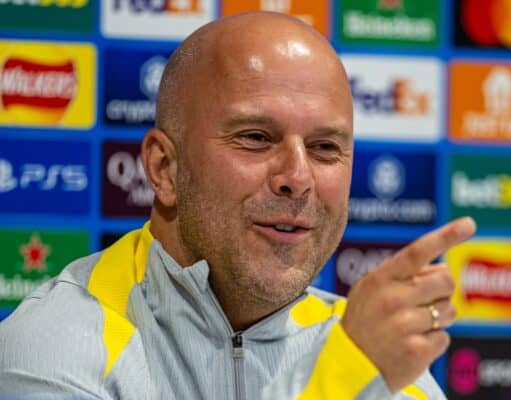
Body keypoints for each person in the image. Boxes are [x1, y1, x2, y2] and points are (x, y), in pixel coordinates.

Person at [0, 11, 476, 399]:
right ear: (164, 168)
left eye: (325, 148)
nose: (298, 177)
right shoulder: (54, 347)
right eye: (255, 137)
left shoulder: (392, 377)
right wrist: (341, 380)